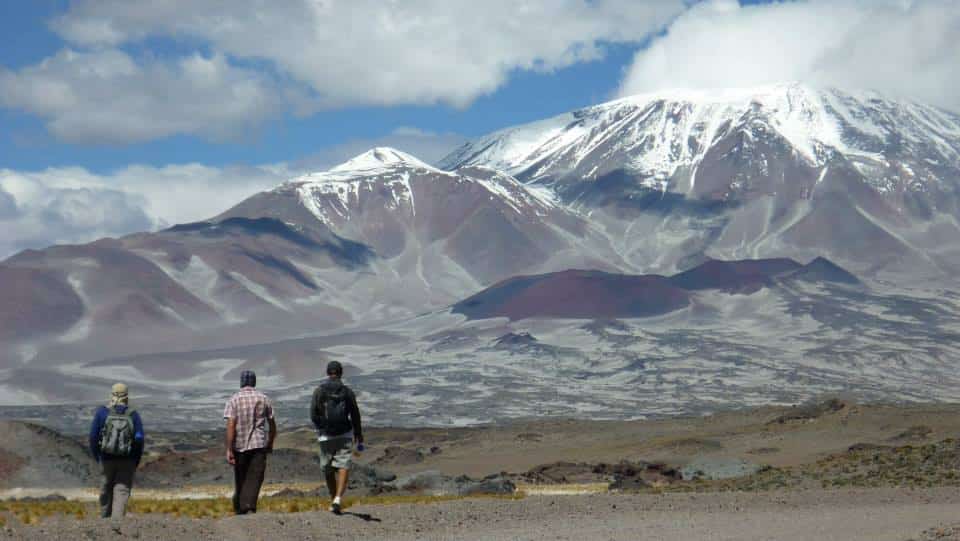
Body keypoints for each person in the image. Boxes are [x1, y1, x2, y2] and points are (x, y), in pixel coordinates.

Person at [311, 360, 364, 514]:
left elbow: (313, 414)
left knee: (327, 469)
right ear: (341, 373)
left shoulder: (319, 391)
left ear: (328, 373)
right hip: (345, 434)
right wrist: (358, 433)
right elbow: (355, 414)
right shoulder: (347, 392)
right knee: (343, 465)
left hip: (325, 437)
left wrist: (322, 427)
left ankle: (333, 498)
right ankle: (338, 499)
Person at [223, 370, 276, 515]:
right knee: (256, 476)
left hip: (239, 446)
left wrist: (229, 448)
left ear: (241, 382)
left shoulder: (233, 400)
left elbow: (231, 425)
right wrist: (270, 442)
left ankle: (241, 507)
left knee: (241, 476)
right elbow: (272, 424)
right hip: (258, 444)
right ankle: (248, 506)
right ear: (254, 382)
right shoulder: (264, 398)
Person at [89, 383, 145, 518]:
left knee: (105, 489)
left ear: (111, 394)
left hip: (106, 459)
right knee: (122, 490)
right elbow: (139, 438)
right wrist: (135, 460)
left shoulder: (102, 413)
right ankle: (116, 524)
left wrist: (98, 456)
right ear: (127, 396)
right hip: (127, 460)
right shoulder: (133, 415)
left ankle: (105, 522)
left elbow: (93, 436)